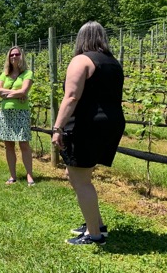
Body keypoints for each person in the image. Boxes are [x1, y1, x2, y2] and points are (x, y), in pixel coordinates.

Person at [52, 21, 125, 246]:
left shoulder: (81, 60)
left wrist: (57, 128)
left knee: (81, 180)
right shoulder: (113, 62)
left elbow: (71, 97)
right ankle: (96, 223)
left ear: (81, 39)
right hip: (112, 122)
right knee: (77, 175)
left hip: (87, 124)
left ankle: (94, 235)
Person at [0, 47, 35, 186]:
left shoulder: (28, 73)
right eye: (12, 54)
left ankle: (30, 176)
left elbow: (24, 91)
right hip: (6, 112)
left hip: (21, 112)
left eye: (17, 54)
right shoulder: (4, 74)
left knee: (24, 144)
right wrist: (15, 93)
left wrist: (7, 94)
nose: (14, 56)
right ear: (8, 57)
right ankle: (12, 176)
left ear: (21, 56)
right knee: (8, 145)